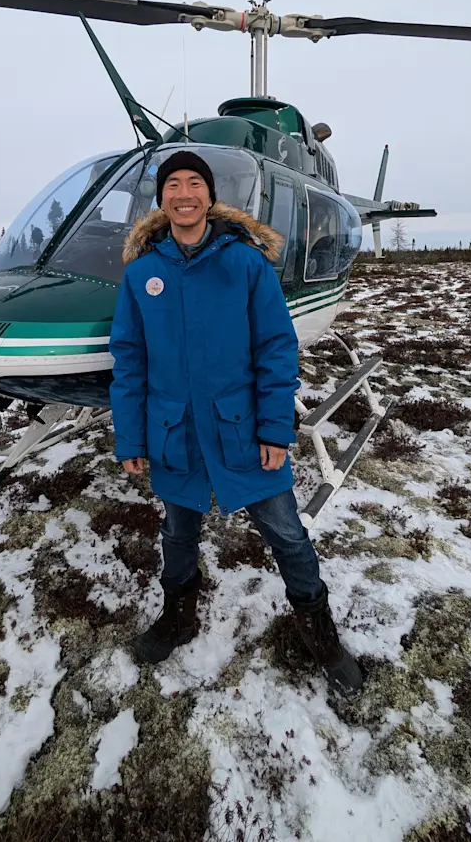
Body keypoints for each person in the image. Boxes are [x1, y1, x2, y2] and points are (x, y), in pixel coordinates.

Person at [108, 150, 363, 696]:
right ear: (162, 201)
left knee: (287, 534)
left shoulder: (245, 264)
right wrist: (130, 436)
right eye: (172, 185)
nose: (183, 194)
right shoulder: (143, 274)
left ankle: (321, 633)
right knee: (177, 533)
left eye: (193, 184)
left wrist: (275, 429)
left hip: (242, 429)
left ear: (209, 195)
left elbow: (276, 348)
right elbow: (129, 362)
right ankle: (178, 618)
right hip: (177, 433)